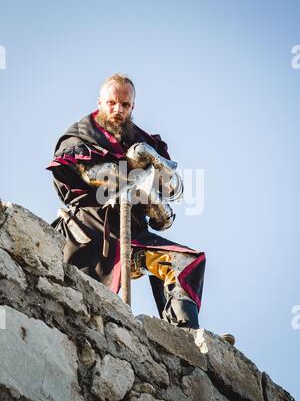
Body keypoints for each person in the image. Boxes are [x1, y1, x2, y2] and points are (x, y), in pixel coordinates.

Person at [47, 74, 214, 332]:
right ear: (100, 102)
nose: (118, 110)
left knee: (184, 261)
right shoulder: (81, 134)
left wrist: (155, 165)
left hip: (134, 233)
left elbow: (172, 188)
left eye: (125, 105)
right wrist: (135, 169)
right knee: (82, 309)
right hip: (91, 231)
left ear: (132, 107)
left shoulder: (143, 139)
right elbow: (91, 174)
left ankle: (186, 333)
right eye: (112, 103)